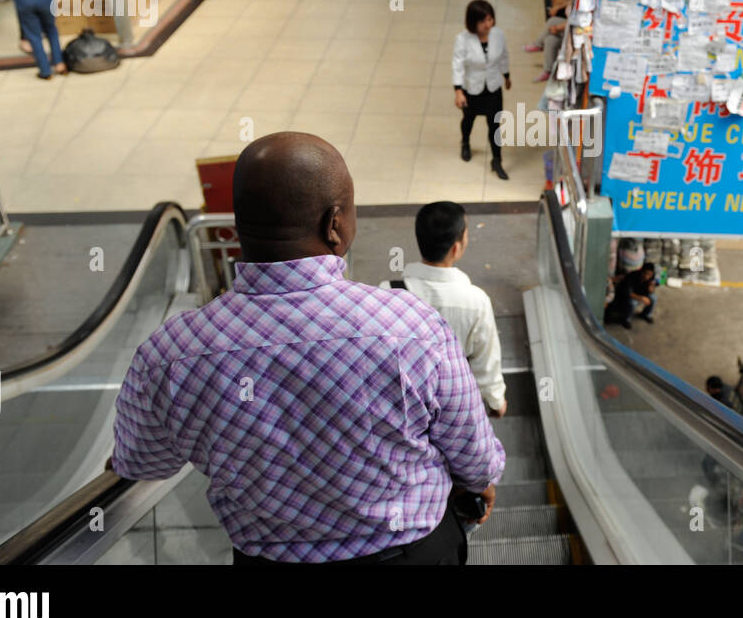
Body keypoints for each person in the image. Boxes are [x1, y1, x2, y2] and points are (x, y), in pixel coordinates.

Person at [112, 133, 505, 565]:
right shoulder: (411, 328)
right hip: (410, 553)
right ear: (334, 223)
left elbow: (140, 463)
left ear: (240, 223)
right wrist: (481, 481)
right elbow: (473, 453)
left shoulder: (170, 355)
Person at [399, 201, 508, 418]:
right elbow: (486, 361)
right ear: (456, 248)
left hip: (406, 402)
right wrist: (496, 401)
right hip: (455, 404)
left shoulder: (390, 292)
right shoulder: (476, 301)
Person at [452, 0, 510, 180]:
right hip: (472, 87)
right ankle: (465, 143)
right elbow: (458, 65)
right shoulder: (462, 40)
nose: (488, 24)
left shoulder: (498, 35)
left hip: (492, 87)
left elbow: (503, 55)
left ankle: (497, 160)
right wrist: (458, 90)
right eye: (483, 21)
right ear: (473, 22)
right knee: (469, 118)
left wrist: (506, 75)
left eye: (490, 19)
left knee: (494, 124)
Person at [605, 262, 657, 329]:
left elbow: (651, 290)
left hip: (640, 293)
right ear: (641, 271)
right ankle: (625, 319)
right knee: (633, 303)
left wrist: (651, 287)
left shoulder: (651, 277)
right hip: (626, 296)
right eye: (645, 273)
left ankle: (645, 314)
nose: (647, 276)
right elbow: (628, 293)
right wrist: (642, 298)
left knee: (654, 298)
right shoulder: (632, 276)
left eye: (649, 274)